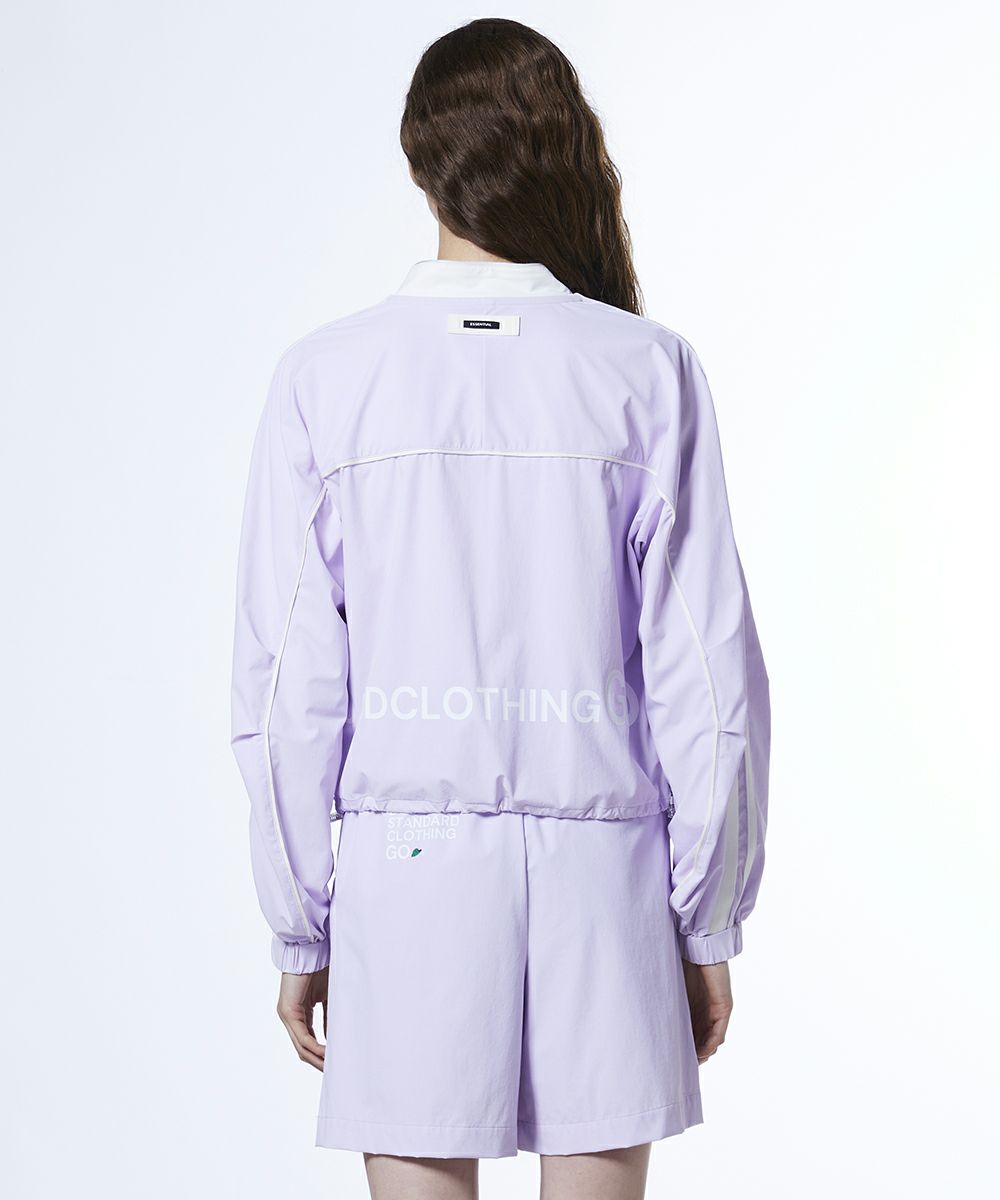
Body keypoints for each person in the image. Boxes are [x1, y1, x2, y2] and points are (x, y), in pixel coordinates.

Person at [230, 17, 770, 1200]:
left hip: (406, 876)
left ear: (418, 161)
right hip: (604, 877)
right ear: (563, 150)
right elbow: (709, 682)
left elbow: (285, 690)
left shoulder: (328, 377)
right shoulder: (643, 368)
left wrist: (301, 923)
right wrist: (705, 919)